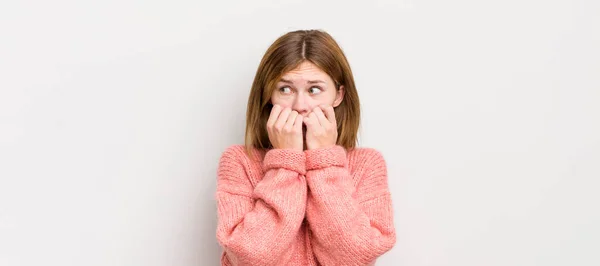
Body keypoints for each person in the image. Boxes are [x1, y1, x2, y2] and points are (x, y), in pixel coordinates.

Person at [215, 29, 396, 266]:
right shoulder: (239, 161)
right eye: (285, 89)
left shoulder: (367, 164)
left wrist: (325, 162)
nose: (300, 105)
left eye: (314, 90)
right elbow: (252, 258)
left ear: (338, 96)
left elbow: (356, 256)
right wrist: (285, 163)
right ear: (269, 95)